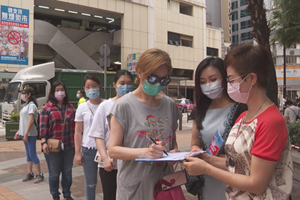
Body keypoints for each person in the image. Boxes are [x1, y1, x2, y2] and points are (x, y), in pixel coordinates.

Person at [182, 44, 293, 199]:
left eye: (231, 79)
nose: (228, 85)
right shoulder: (245, 116)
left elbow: (257, 184)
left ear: (252, 78)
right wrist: (205, 158)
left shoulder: (271, 121)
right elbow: (236, 163)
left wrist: (207, 168)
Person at [108, 48, 182, 200]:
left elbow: (172, 142)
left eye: (164, 80)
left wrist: (175, 153)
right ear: (139, 72)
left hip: (165, 184)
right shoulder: (123, 106)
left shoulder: (169, 105)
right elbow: (113, 150)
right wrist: (145, 152)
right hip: (134, 186)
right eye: (153, 78)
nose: (158, 84)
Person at [189, 57, 247, 200]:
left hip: (234, 182)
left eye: (213, 79)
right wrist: (195, 150)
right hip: (206, 182)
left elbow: (246, 156)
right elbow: (195, 143)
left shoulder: (242, 108)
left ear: (225, 78)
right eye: (202, 82)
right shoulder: (199, 111)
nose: (208, 85)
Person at [89, 70, 133, 200]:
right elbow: (98, 135)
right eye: (122, 83)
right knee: (110, 196)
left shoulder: (135, 105)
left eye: (129, 83)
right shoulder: (105, 106)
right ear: (114, 85)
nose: (125, 86)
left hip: (131, 163)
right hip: (110, 164)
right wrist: (105, 158)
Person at [40, 81, 76, 200]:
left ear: (65, 92)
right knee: (54, 173)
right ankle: (55, 194)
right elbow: (43, 127)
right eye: (57, 90)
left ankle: (67, 193)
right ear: (53, 92)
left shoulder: (70, 107)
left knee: (67, 172)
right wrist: (43, 142)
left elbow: (75, 126)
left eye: (62, 89)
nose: (60, 92)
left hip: (69, 145)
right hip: (52, 146)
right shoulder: (47, 108)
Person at [74, 75, 103, 200]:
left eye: (94, 86)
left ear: (99, 87)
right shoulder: (82, 107)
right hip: (88, 150)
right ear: (84, 89)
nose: (91, 89)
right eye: (88, 87)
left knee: (109, 183)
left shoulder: (107, 104)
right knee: (90, 184)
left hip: (106, 150)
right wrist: (77, 152)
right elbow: (78, 131)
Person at [14, 87, 44, 183]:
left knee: (32, 153)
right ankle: (30, 173)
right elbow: (24, 121)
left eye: (23, 93)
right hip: (25, 133)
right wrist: (19, 131)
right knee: (28, 153)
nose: (22, 95)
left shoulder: (32, 106)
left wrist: (26, 132)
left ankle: (40, 174)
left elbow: (31, 121)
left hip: (30, 134)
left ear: (29, 95)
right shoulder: (25, 106)